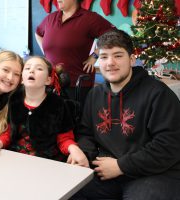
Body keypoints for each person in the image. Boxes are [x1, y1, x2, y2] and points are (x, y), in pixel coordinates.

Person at [71, 29, 180, 199]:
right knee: (69, 190)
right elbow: (86, 133)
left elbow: (168, 146)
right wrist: (83, 154)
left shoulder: (158, 94)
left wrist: (121, 166)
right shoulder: (95, 95)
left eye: (118, 55)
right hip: (108, 168)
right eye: (104, 56)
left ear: (132, 59)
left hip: (154, 173)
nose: (110, 63)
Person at [0, 56, 89, 166]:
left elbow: (64, 138)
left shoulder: (59, 104)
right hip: (16, 160)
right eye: (27, 68)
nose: (32, 70)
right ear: (21, 79)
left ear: (48, 80)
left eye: (39, 68)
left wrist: (74, 149)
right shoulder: (14, 100)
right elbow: (9, 132)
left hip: (47, 163)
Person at [35, 0, 115, 105]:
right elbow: (38, 33)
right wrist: (46, 53)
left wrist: (95, 55)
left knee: (74, 119)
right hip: (50, 83)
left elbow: (113, 35)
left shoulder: (89, 18)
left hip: (76, 85)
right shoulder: (51, 18)